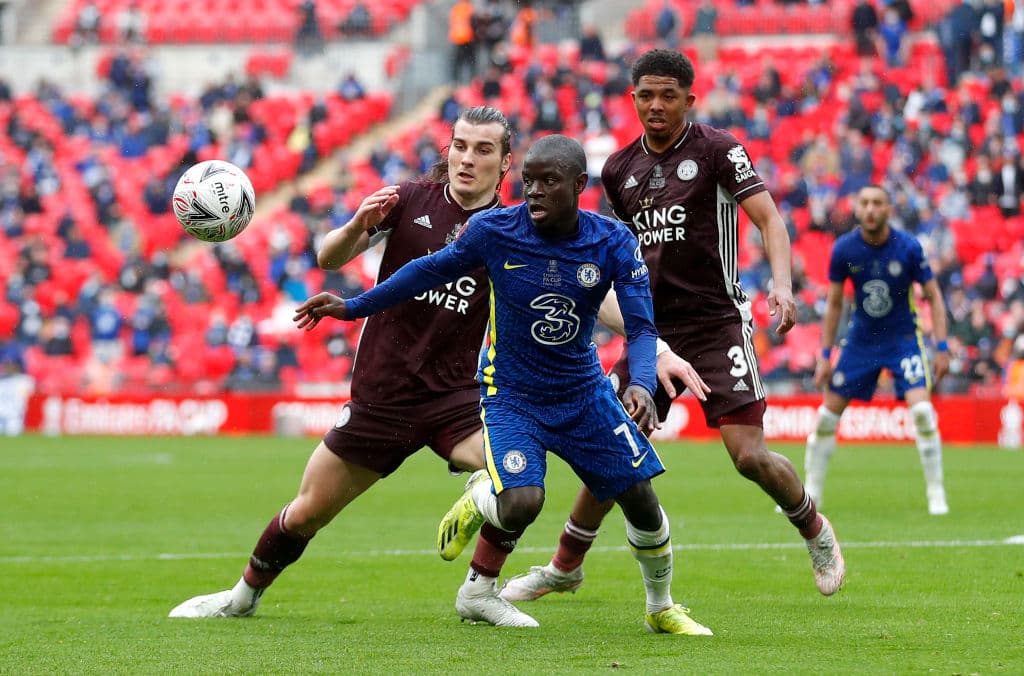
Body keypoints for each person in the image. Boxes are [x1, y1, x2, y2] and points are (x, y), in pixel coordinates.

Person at [295, 134, 714, 634]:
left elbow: (642, 328)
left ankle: (660, 606)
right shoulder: (494, 229)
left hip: (583, 392)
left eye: (549, 181)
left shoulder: (612, 241)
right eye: (529, 181)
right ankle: (480, 536)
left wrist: (642, 383)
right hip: (511, 393)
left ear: (580, 185)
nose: (534, 191)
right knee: (522, 501)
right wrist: (353, 306)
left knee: (640, 497)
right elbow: (427, 271)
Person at [495, 48, 846, 604]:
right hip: (649, 332)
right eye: (646, 96)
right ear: (633, 99)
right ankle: (565, 568)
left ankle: (814, 530)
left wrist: (781, 284)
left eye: (668, 95)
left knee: (748, 455)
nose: (656, 106)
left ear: (689, 99)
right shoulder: (617, 169)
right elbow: (606, 253)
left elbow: (769, 220)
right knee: (611, 449)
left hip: (716, 326)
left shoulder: (718, 151)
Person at [167, 106, 513, 618]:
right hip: (382, 395)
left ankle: (479, 592)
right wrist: (356, 225)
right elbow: (328, 258)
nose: (467, 158)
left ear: (505, 163)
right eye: (460, 145)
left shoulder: (514, 227)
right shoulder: (410, 199)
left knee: (515, 475)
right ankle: (239, 599)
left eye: (483, 150)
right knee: (307, 511)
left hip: (453, 397)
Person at [804, 185, 951, 516]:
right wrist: (825, 355)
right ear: (857, 208)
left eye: (877, 203)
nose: (870, 209)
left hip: (903, 340)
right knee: (827, 418)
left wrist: (941, 347)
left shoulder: (909, 247)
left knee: (923, 414)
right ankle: (811, 492)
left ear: (888, 209)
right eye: (865, 202)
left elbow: (934, 296)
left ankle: (936, 492)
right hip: (861, 341)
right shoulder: (844, 249)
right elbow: (835, 304)